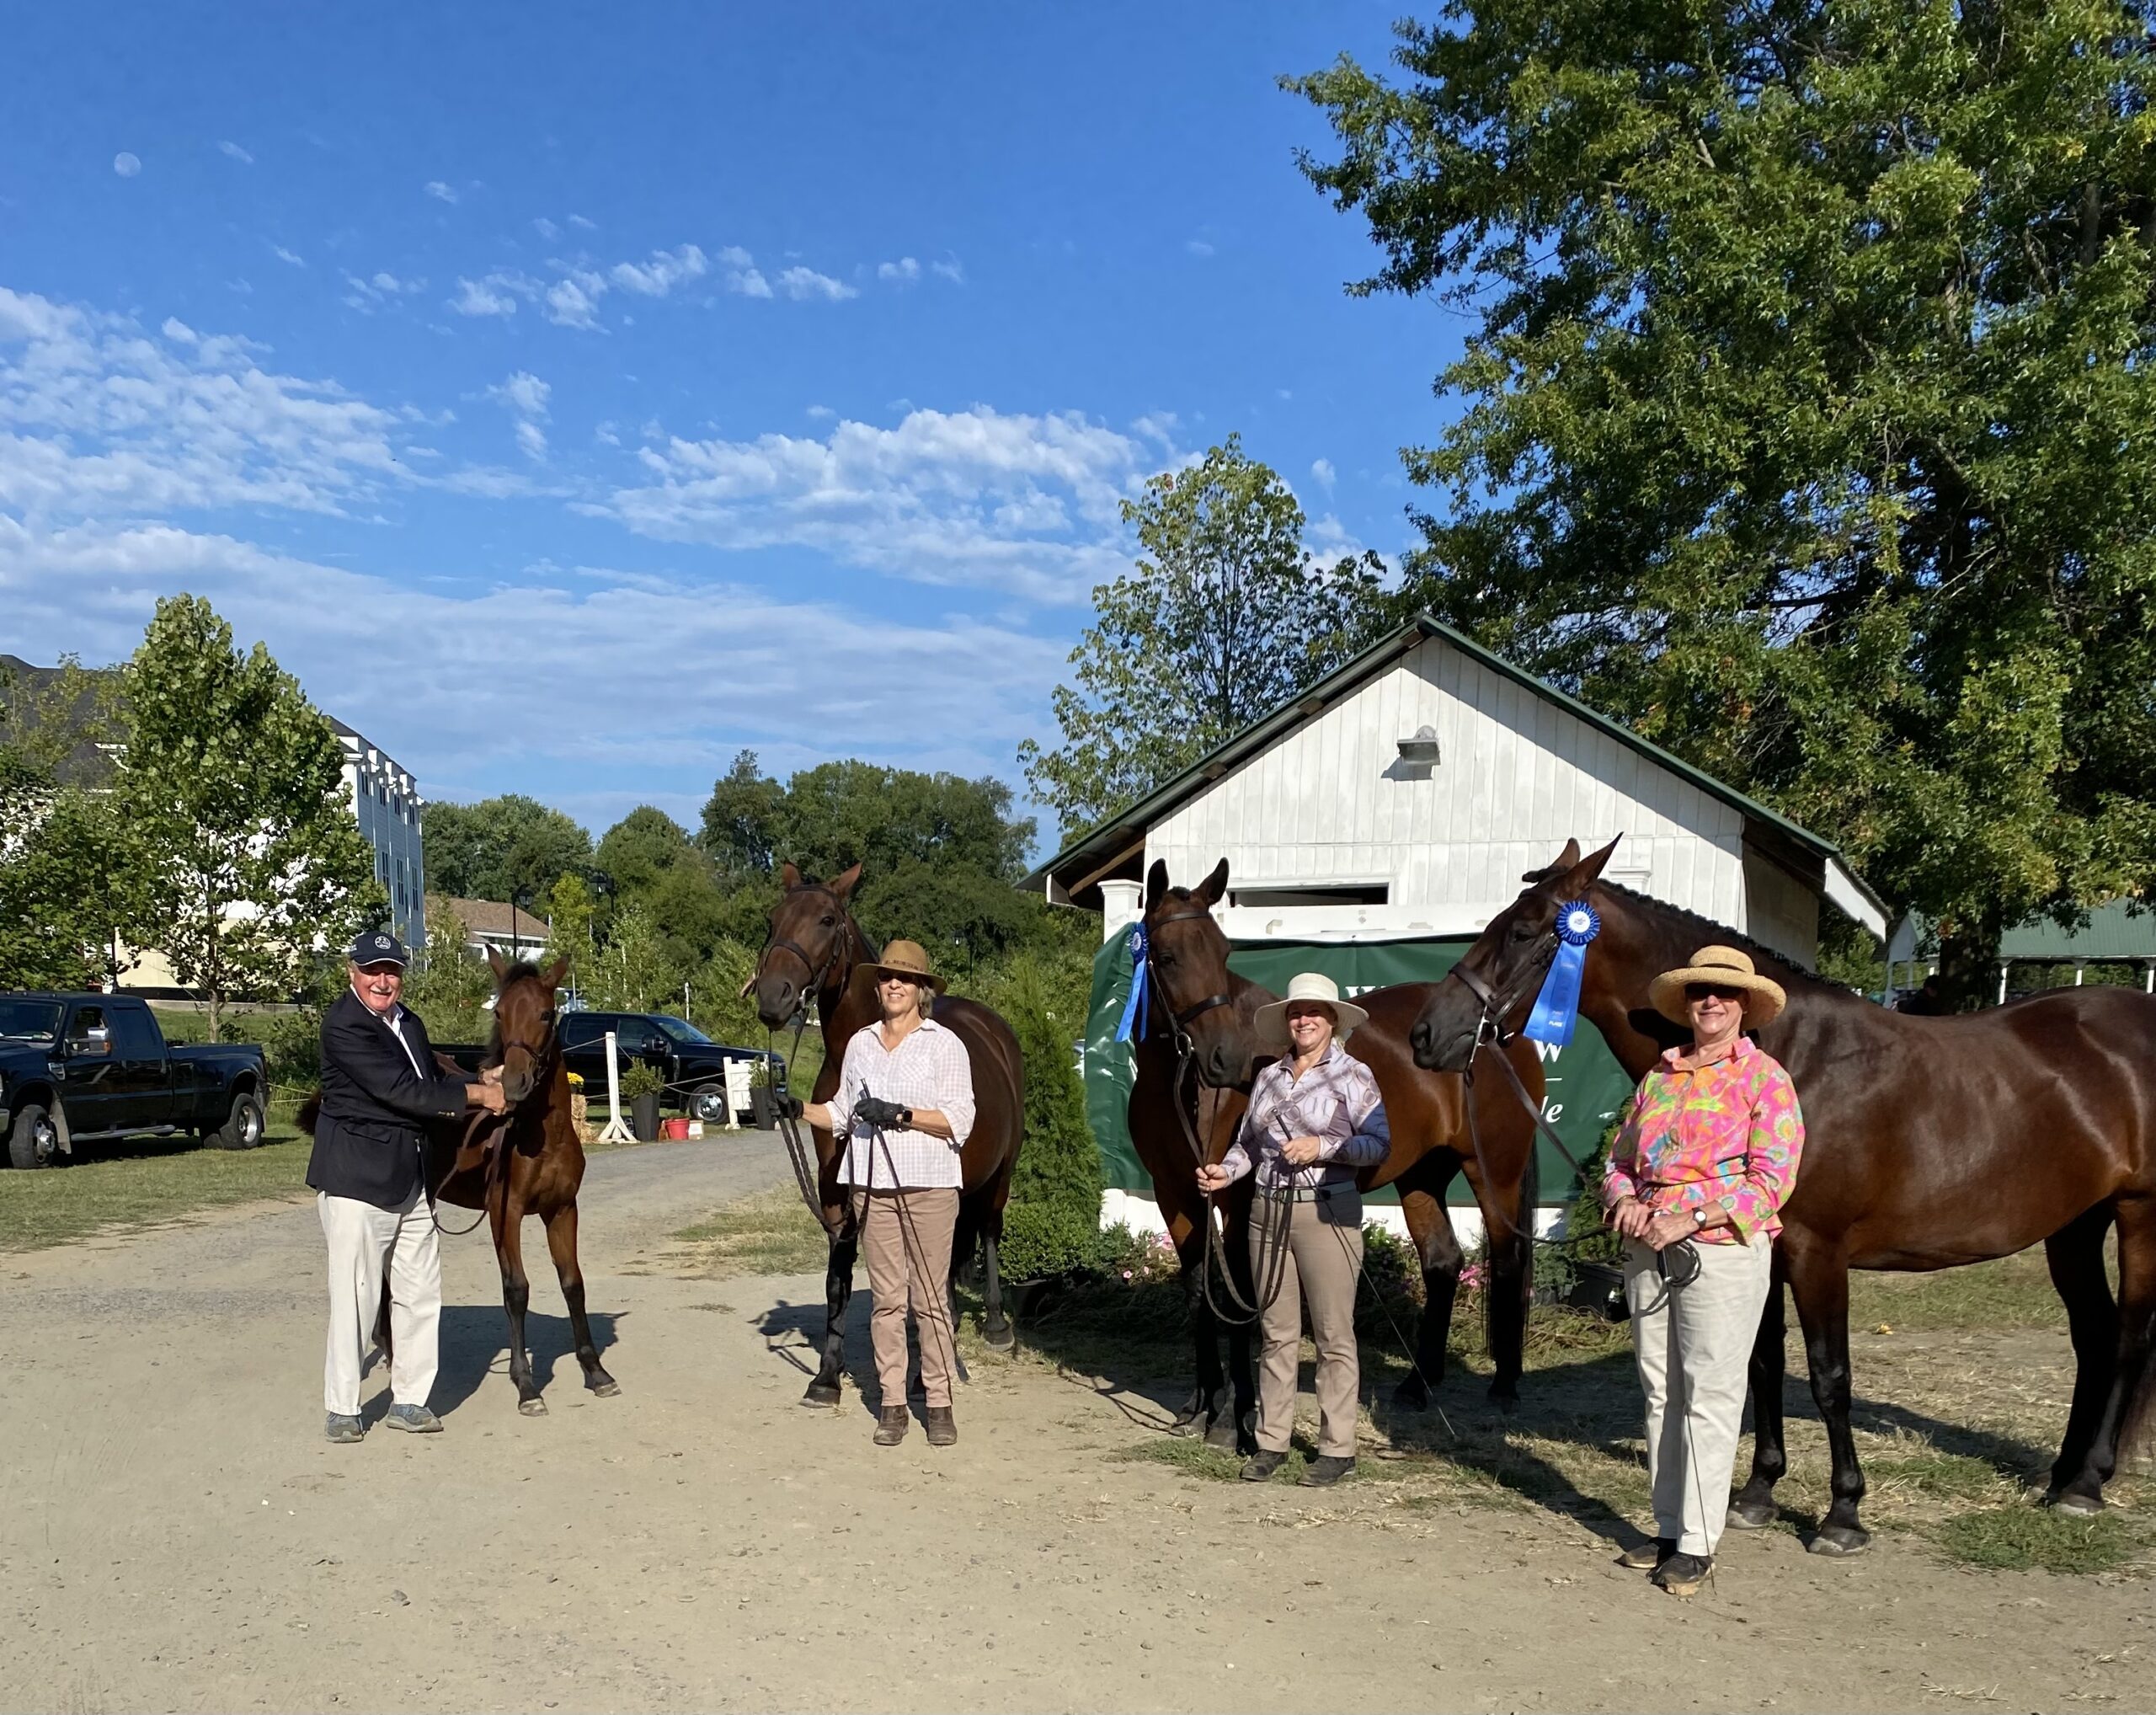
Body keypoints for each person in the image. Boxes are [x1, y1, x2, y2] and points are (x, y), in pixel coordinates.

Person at [1604, 944, 1805, 1595]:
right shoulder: (1659, 1078)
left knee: (1710, 1396)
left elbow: (1772, 1180)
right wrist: (1626, 1201)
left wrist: (1691, 1217)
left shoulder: (1765, 1080)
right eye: (1699, 993)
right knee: (1661, 1391)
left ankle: (1697, 1540)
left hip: (1718, 1251)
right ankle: (1667, 1526)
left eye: (1723, 993)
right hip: (1648, 1250)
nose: (1709, 1002)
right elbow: (1620, 1161)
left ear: (1745, 1006)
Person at [307, 929, 504, 1444]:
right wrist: (480, 1094)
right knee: (356, 1296)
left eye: (392, 969)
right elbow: (401, 1091)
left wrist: (483, 1076)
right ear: (352, 970)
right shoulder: (344, 1026)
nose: (383, 979)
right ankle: (343, 1407)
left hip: (413, 1178)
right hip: (356, 1180)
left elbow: (430, 1079)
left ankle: (410, 1399)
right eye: (373, 969)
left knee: (420, 1294)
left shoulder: (409, 1023)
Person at [1198, 972, 1389, 1487]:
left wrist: (1322, 1147)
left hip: (1328, 1211)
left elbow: (1377, 1145)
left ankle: (1338, 1448)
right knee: (1278, 1334)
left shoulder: (1355, 1075)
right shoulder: (1268, 1077)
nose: (1303, 1020)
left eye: (1314, 1012)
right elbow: (1249, 1146)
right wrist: (1225, 1172)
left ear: (1332, 1020)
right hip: (1268, 1210)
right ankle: (1272, 1441)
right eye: (1296, 1012)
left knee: (1332, 1336)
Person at [790, 939, 975, 1448]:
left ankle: (938, 1402)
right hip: (872, 1187)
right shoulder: (860, 1045)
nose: (895, 985)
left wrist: (900, 1114)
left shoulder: (945, 1045)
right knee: (887, 1302)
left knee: (931, 1301)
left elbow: (961, 1120)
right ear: (878, 986)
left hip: (931, 1186)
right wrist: (797, 1108)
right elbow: (843, 1111)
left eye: (906, 978)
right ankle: (892, 1403)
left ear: (921, 990)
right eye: (888, 977)